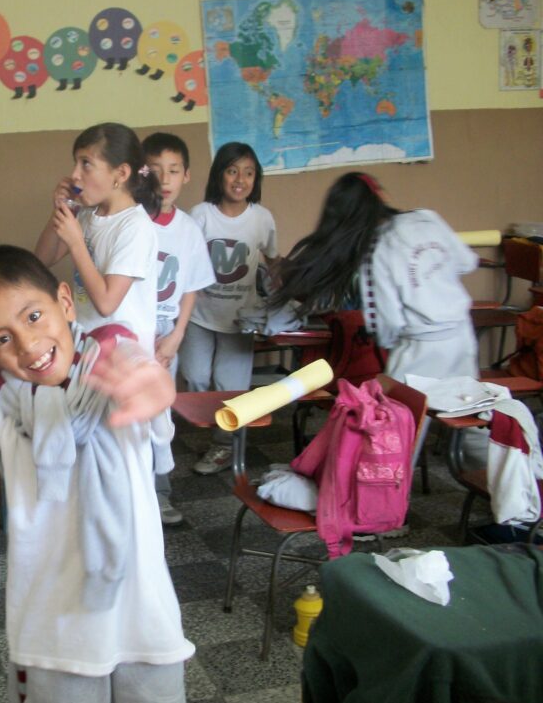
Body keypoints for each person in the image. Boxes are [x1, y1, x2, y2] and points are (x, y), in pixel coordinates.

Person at [0, 245, 194, 703]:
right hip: (55, 635)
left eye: (34, 316)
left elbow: (151, 382)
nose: (28, 344)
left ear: (65, 302)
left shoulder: (111, 360)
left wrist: (149, 392)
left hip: (142, 619)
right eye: (3, 339)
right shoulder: (4, 404)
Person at [270, 171, 479, 379]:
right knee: (463, 403)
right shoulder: (427, 218)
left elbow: (389, 323)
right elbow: (467, 262)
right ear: (381, 196)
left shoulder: (376, 251)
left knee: (402, 409)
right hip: (463, 336)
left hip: (419, 348)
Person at [181, 141, 278, 475]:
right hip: (199, 315)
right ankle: (213, 429)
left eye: (249, 173)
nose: (241, 179)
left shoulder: (262, 219)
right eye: (233, 170)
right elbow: (184, 260)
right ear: (219, 174)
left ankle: (223, 447)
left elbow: (273, 259)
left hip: (240, 320)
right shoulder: (200, 214)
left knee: (231, 387)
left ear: (256, 178)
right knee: (195, 377)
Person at [142, 132, 215, 526]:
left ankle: (161, 493)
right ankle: (129, 497)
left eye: (172, 171)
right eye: (154, 171)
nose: (164, 180)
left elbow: (190, 287)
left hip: (165, 333)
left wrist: (176, 335)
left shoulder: (187, 229)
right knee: (125, 419)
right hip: (128, 334)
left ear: (186, 176)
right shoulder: (131, 221)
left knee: (159, 417)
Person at [34, 122, 160, 349]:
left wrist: (76, 242)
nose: (75, 175)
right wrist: (61, 210)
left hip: (125, 361)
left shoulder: (135, 227)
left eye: (86, 164)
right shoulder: (86, 215)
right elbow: (42, 260)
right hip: (91, 348)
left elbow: (106, 304)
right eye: (76, 163)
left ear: (120, 173)